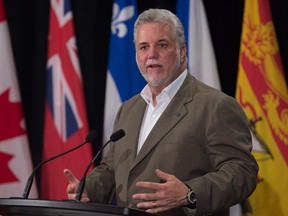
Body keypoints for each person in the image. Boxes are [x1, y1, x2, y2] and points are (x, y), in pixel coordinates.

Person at [64, 8, 258, 216]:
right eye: (143, 47)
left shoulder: (215, 105)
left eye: (162, 45)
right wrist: (88, 188)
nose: (151, 54)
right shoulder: (128, 109)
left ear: (182, 52)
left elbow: (242, 171)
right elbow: (112, 170)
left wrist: (190, 194)